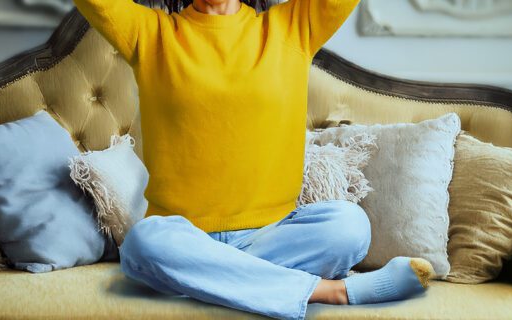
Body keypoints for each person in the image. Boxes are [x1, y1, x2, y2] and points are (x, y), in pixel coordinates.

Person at [73, 1, 435, 319]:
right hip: (181, 237)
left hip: (274, 237)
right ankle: (333, 292)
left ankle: (211, 279)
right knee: (143, 243)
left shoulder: (291, 27)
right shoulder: (150, 34)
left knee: (351, 226)